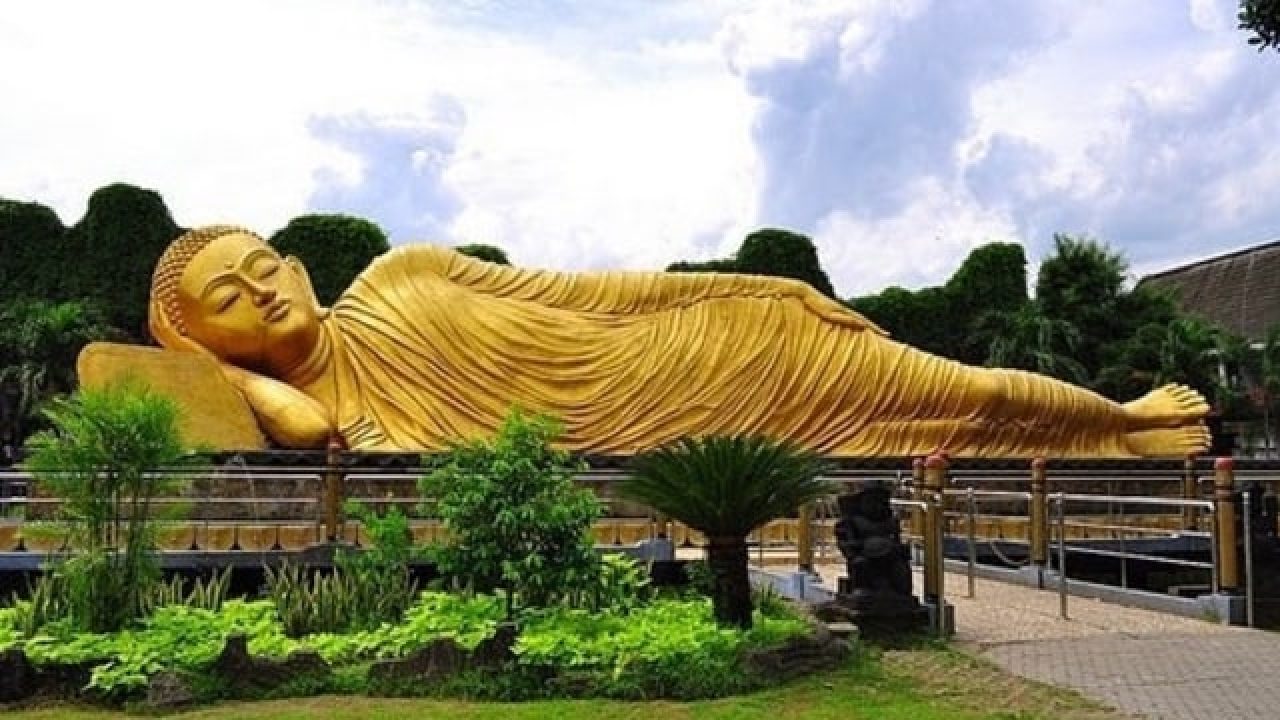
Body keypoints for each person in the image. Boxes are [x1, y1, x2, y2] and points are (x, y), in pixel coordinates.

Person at [145, 225, 1210, 457]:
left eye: (264, 267)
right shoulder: (318, 414)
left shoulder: (407, 274)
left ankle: (1115, 425)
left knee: (953, 386)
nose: (263, 293)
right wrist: (226, 377)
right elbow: (308, 421)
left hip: (708, 347)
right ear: (206, 342)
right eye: (226, 302)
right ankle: (1104, 435)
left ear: (301, 267)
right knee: (918, 425)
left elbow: (595, 293)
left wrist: (750, 288)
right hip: (666, 432)